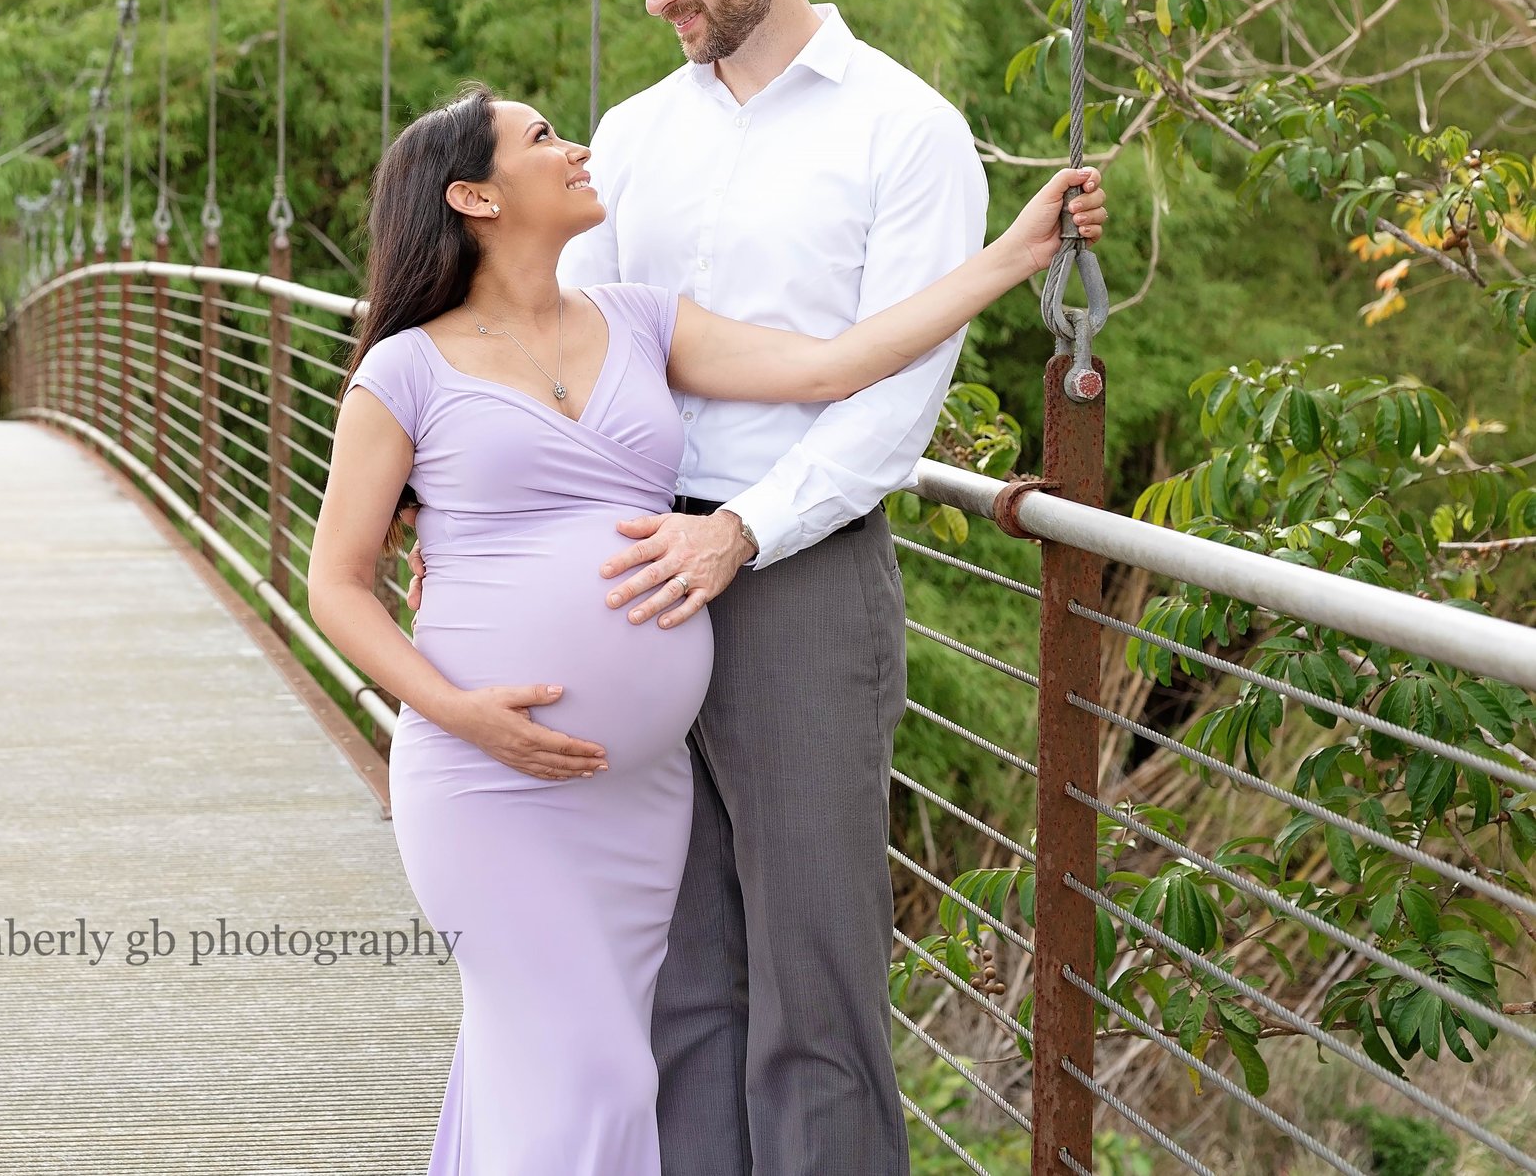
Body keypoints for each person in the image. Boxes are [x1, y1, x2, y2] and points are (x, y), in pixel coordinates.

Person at [304, 83, 1102, 1176]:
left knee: (537, 1067)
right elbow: (337, 583)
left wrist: (1011, 256)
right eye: (542, 137)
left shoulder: (640, 319)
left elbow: (835, 364)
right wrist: (459, 713)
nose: (577, 146)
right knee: (593, 1071)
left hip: (636, 800)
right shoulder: (404, 369)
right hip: (488, 781)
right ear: (473, 196)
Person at [559, 0, 988, 1176]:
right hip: (635, 577)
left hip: (798, 580)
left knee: (814, 993)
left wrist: (741, 532)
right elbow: (578, 351)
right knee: (679, 983)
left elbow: (892, 403)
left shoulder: (909, 133)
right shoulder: (627, 138)